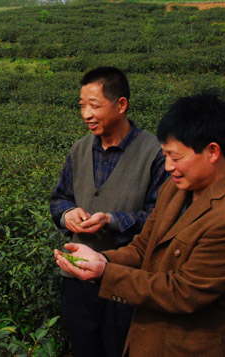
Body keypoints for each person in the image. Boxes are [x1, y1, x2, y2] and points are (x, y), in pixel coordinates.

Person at [55, 90, 225, 356]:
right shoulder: (177, 190)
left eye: (176, 158)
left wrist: (105, 273)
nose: (168, 167)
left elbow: (183, 292)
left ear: (212, 152)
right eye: (165, 155)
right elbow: (144, 248)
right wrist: (103, 261)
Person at [49, 66, 169, 356]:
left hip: (126, 281)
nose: (86, 114)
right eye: (82, 106)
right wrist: (67, 214)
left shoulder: (154, 152)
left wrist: (113, 221)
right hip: (77, 281)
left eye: (94, 106)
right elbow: (59, 198)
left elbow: (161, 219)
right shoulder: (79, 150)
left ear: (121, 105)